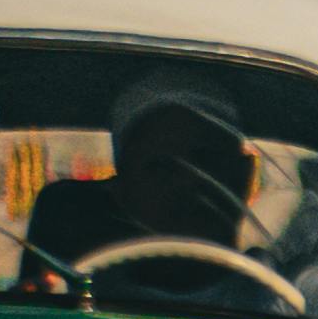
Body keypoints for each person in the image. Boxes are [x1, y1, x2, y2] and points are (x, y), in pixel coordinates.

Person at [28, 76, 260, 291]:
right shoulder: (85, 300)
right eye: (160, 168)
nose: (186, 182)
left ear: (243, 175)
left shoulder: (281, 300)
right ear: (122, 188)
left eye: (206, 162)